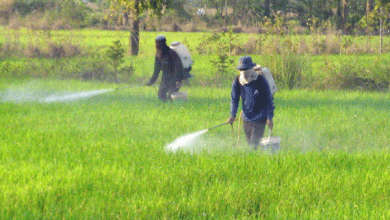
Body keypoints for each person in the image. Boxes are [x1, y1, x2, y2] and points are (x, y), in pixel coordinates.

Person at [227, 56, 275, 150]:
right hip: (246, 117)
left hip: (260, 117)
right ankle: (261, 155)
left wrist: (270, 117)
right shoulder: (237, 81)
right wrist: (232, 115)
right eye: (242, 69)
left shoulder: (261, 80)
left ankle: (257, 156)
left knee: (254, 145)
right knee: (250, 144)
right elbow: (234, 99)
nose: (244, 72)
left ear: (251, 69)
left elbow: (269, 99)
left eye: (246, 69)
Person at [145, 35, 184, 101]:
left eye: (159, 44)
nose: (157, 46)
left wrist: (178, 80)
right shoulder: (158, 55)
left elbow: (178, 67)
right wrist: (151, 81)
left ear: (163, 43)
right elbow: (156, 70)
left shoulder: (172, 53)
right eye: (156, 44)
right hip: (165, 78)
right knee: (161, 96)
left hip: (174, 78)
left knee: (171, 98)